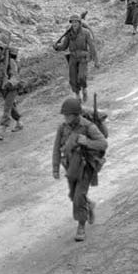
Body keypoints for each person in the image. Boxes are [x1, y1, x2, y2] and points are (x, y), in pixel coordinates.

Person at [52, 97, 108, 242]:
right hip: (71, 168)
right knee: (73, 196)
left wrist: (87, 142)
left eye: (68, 115)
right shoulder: (62, 128)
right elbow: (56, 149)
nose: (65, 118)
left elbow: (103, 144)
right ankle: (88, 205)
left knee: (78, 197)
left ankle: (81, 226)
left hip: (85, 167)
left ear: (76, 115)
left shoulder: (88, 127)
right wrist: (55, 168)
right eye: (64, 115)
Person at [54, 14, 98, 102]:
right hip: (73, 57)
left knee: (82, 76)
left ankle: (84, 90)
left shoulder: (85, 32)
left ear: (79, 23)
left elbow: (92, 46)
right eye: (72, 22)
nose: (74, 24)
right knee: (73, 79)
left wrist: (96, 60)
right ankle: (78, 95)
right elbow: (64, 46)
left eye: (76, 22)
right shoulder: (68, 34)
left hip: (83, 57)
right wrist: (57, 47)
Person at [0, 41, 23, 140]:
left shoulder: (10, 61)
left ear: (2, 51)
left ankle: (2, 131)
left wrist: (10, 82)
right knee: (11, 106)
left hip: (12, 87)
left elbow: (15, 75)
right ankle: (19, 123)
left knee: (7, 108)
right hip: (2, 88)